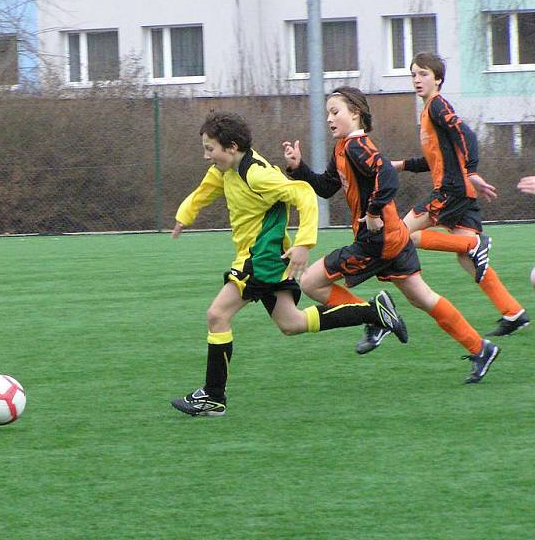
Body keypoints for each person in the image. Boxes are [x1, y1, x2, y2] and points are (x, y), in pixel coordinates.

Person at [170, 111, 407, 417]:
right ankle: (374, 312)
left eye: (210, 148)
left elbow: (304, 193)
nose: (206, 156)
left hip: (261, 257)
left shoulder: (256, 174)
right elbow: (204, 192)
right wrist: (183, 216)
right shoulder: (226, 169)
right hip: (267, 256)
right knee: (291, 324)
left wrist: (304, 244)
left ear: (231, 147)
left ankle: (213, 397)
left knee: (217, 315)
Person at [283, 86, 500, 383]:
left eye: (336, 112)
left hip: (379, 241)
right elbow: (326, 186)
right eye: (328, 114)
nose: (330, 119)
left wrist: (373, 213)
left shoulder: (358, 147)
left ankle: (375, 316)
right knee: (423, 298)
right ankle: (481, 348)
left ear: (356, 114)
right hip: (393, 236)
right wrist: (299, 168)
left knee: (311, 281)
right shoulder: (343, 148)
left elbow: (386, 175)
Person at [391, 52, 528, 337]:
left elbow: (468, 136)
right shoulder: (430, 109)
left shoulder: (438, 106)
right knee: (469, 261)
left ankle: (474, 246)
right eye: (414, 74)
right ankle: (513, 312)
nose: (417, 79)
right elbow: (436, 158)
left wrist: (473, 171)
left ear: (438, 79)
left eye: (424, 74)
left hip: (451, 191)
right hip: (459, 193)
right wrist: (401, 165)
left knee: (401, 235)